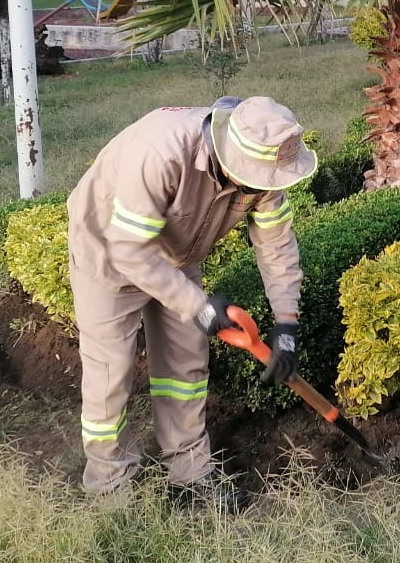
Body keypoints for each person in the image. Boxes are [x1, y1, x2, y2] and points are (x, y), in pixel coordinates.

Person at [66, 95, 318, 508]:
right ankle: (110, 485)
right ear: (230, 159)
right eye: (255, 181)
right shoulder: (160, 154)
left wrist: (287, 323)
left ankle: (190, 473)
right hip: (108, 253)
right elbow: (130, 251)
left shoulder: (267, 169)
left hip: (176, 255)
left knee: (185, 364)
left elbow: (276, 246)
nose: (261, 190)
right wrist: (197, 306)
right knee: (110, 373)